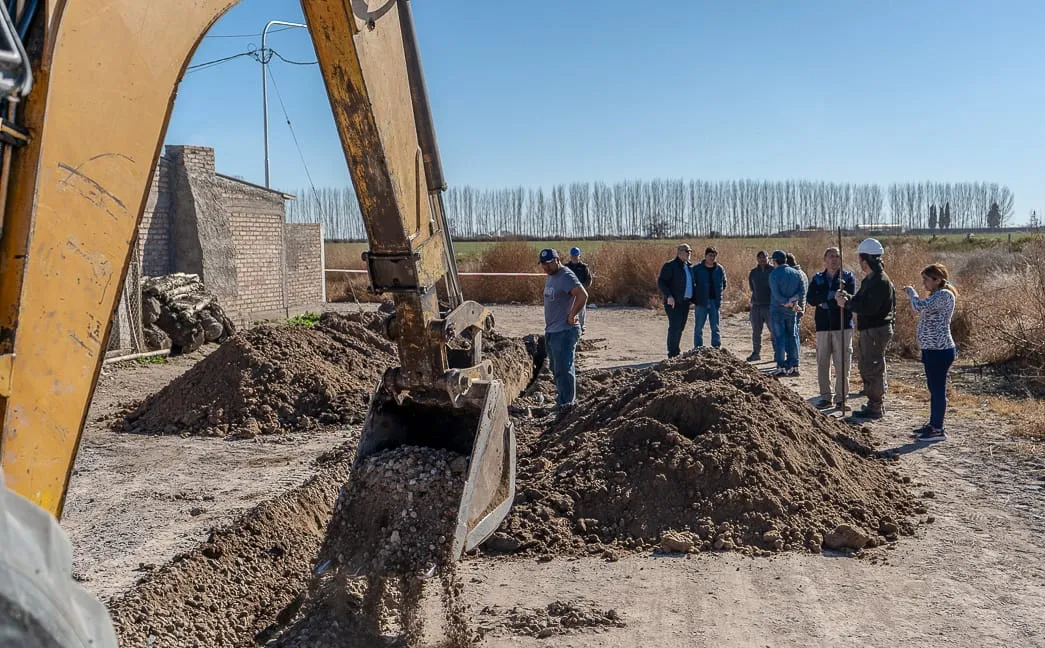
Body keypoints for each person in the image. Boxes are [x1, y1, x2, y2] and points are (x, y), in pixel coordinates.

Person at [835, 238, 896, 420]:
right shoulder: (871, 279)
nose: (860, 263)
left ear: (866, 259)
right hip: (871, 329)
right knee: (867, 365)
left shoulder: (880, 281)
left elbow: (870, 308)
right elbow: (861, 300)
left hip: (876, 329)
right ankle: (873, 403)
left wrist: (846, 305)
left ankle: (876, 407)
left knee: (873, 367)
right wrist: (847, 297)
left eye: (861, 259)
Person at [903, 264, 957, 442]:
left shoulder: (944, 295)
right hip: (931, 350)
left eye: (926, 279)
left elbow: (918, 306)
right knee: (934, 389)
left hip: (939, 350)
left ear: (937, 279)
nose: (924, 283)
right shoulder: (937, 295)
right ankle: (933, 423)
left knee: (938, 390)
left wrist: (912, 293)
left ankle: (937, 429)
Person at [806, 247, 856, 410]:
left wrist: (828, 302)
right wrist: (829, 297)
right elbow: (811, 299)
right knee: (822, 361)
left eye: (837, 256)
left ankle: (841, 398)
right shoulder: (818, 278)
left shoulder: (847, 277)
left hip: (842, 325)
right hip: (822, 326)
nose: (834, 259)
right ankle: (826, 397)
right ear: (825, 259)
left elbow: (847, 298)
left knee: (842, 363)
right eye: (831, 256)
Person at [539, 248, 588, 412]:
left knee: (564, 368)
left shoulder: (566, 276)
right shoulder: (551, 277)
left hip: (565, 331)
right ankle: (562, 401)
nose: (546, 267)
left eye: (549, 264)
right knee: (556, 368)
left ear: (557, 260)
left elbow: (582, 295)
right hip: (553, 331)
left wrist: (572, 315)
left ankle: (567, 406)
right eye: (543, 265)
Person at [768, 250, 805, 375]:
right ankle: (794, 366)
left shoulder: (774, 274)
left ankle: (781, 367)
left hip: (778, 310)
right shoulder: (796, 273)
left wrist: (786, 302)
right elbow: (802, 291)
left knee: (780, 338)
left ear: (775, 261)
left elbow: (776, 295)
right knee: (793, 337)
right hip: (792, 310)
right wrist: (793, 301)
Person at [657, 244, 695, 358]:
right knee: (675, 326)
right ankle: (672, 353)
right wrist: (669, 296)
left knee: (681, 327)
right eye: (686, 251)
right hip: (674, 302)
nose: (689, 253)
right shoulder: (670, 266)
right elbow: (662, 282)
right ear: (679, 252)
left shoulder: (689, 266)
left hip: (685, 302)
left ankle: (676, 350)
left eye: (690, 251)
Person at [692, 246, 727, 348]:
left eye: (714, 256)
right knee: (699, 327)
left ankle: (716, 347)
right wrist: (695, 297)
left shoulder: (719, 269)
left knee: (715, 327)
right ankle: (698, 348)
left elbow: (724, 284)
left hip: (714, 302)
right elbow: (691, 283)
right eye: (710, 255)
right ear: (705, 256)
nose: (712, 258)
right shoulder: (697, 269)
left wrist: (718, 297)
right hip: (701, 302)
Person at [747, 250, 773, 361]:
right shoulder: (753, 272)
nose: (762, 259)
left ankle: (778, 354)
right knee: (756, 331)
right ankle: (756, 353)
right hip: (756, 305)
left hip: (770, 305)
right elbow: (752, 287)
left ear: (768, 258)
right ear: (757, 259)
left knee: (774, 331)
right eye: (760, 257)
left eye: (764, 257)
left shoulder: (773, 271)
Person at [565, 246, 593, 333]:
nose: (574, 257)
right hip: (569, 291)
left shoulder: (584, 267)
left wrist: (583, 288)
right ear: (570, 256)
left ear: (579, 256)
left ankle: (581, 326)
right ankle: (568, 325)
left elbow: (589, 279)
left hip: (580, 292)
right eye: (573, 256)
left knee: (581, 309)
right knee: (568, 309)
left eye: (576, 256)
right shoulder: (566, 267)